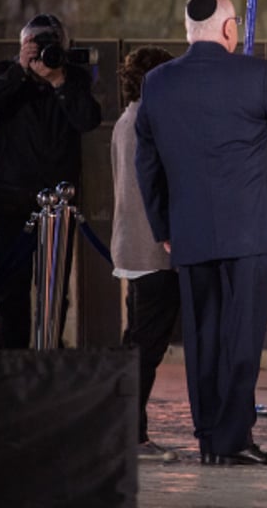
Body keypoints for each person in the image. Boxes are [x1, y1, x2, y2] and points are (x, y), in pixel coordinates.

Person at [135, 0, 267, 467]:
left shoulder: (157, 83)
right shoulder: (254, 73)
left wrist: (163, 223)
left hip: (191, 229)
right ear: (231, 30)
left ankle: (209, 436)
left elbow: (147, 161)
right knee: (242, 335)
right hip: (252, 230)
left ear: (189, 31)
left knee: (203, 336)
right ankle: (233, 439)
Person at [0, 14, 102, 349]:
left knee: (54, 284)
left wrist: (58, 81)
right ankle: (14, 359)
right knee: (11, 286)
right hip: (10, 199)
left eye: (50, 46)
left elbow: (88, 119)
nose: (44, 53)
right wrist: (19, 70)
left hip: (58, 201)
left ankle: (50, 352)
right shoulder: (7, 73)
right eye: (36, 46)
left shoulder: (72, 77)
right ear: (22, 47)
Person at [111, 45, 179, 458]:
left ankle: (122, 429)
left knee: (135, 342)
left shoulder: (128, 118)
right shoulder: (149, 123)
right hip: (152, 250)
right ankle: (131, 435)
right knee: (145, 349)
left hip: (132, 247)